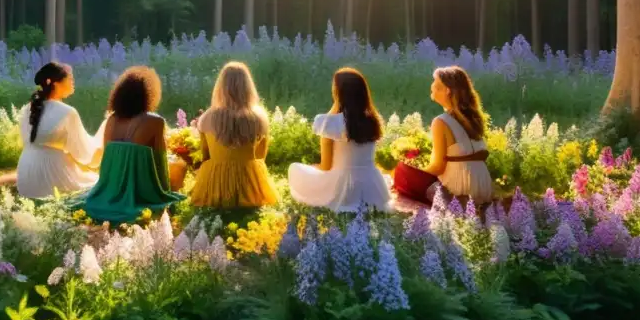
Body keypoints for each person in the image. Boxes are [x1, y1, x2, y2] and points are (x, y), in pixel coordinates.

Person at [81, 66, 184, 224]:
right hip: (141, 192)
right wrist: (162, 193)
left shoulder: (111, 120)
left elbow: (107, 159)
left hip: (109, 191)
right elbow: (160, 162)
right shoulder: (154, 121)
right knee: (180, 166)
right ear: (149, 95)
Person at [288, 67, 392, 212]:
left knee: (294, 168)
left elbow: (326, 166)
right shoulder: (373, 121)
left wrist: (313, 167)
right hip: (372, 186)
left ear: (338, 93)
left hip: (342, 187)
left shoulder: (330, 123)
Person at [394, 66, 493, 205]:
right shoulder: (473, 118)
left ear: (447, 90)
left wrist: (416, 174)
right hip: (483, 186)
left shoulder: (441, 122)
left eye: (435, 81)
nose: (432, 85)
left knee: (403, 172)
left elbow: (438, 167)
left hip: (460, 189)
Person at [190, 62, 278, 209]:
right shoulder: (259, 118)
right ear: (248, 87)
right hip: (249, 185)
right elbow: (261, 157)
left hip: (215, 185)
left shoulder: (206, 118)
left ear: (220, 87)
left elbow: (206, 156)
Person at [16, 62, 102, 199]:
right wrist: (105, 131)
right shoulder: (67, 112)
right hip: (52, 173)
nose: (73, 82)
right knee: (97, 183)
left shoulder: (28, 109)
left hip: (26, 175)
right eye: (70, 78)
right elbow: (84, 154)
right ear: (55, 83)